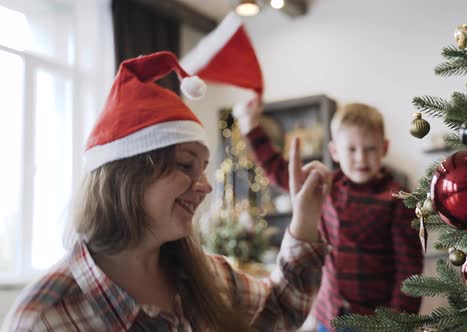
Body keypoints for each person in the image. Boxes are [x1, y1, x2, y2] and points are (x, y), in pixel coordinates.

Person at [1, 51, 333, 332]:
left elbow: (277, 312)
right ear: (127, 175)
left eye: (203, 167)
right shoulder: (44, 319)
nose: (205, 186)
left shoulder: (208, 276)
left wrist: (305, 219)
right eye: (186, 165)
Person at [234, 99, 424, 331]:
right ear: (334, 151)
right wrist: (250, 126)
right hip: (329, 315)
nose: (361, 158)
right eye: (351, 149)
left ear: (384, 148)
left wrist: (399, 323)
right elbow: (280, 171)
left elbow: (409, 269)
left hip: (376, 321)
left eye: (370, 148)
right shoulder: (326, 186)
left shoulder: (398, 200)